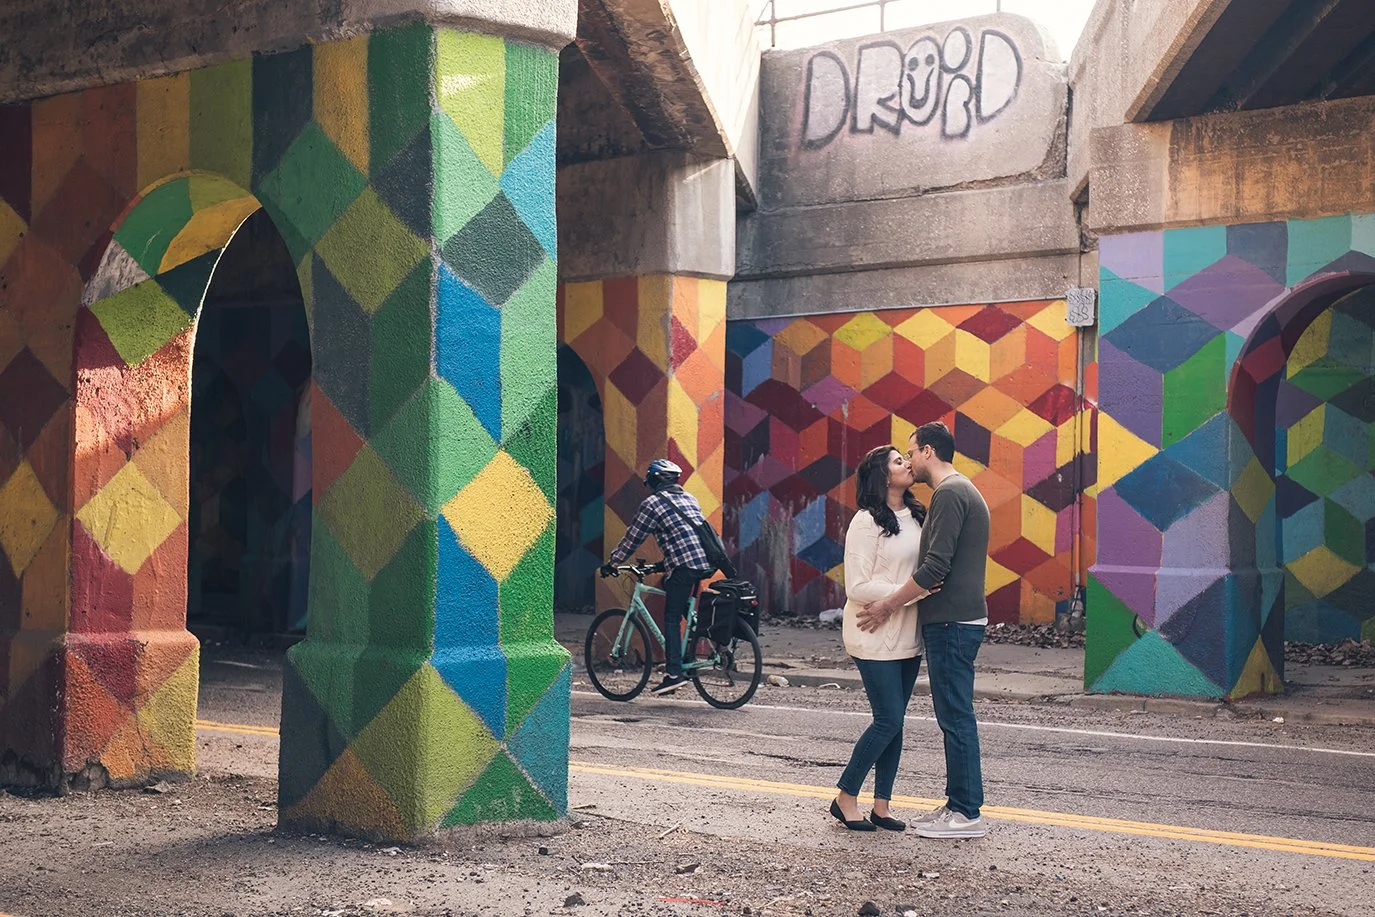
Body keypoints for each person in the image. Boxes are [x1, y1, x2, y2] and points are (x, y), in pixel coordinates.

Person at [859, 421, 991, 840]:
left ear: (929, 452)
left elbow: (936, 565)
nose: (910, 460)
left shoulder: (951, 493)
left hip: (953, 621)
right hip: (953, 620)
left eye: (912, 452)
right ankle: (957, 804)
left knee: (956, 717)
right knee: (953, 715)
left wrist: (886, 605)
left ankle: (967, 813)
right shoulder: (955, 491)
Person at [830, 445, 938, 833]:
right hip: (872, 632)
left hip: (908, 632)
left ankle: (882, 805)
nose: (907, 464)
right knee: (887, 718)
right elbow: (857, 585)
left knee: (896, 722)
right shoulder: (865, 522)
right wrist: (911, 592)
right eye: (898, 461)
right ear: (881, 475)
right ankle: (845, 797)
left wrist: (906, 596)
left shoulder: (918, 515)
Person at [600, 459, 713, 695]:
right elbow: (683, 537)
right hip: (703, 563)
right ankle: (695, 642)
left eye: (650, 480)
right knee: (671, 588)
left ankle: (674, 674)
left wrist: (613, 562)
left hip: (683, 566)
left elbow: (634, 538)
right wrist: (660, 566)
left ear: (656, 480)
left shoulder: (652, 503)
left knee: (671, 617)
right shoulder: (689, 498)